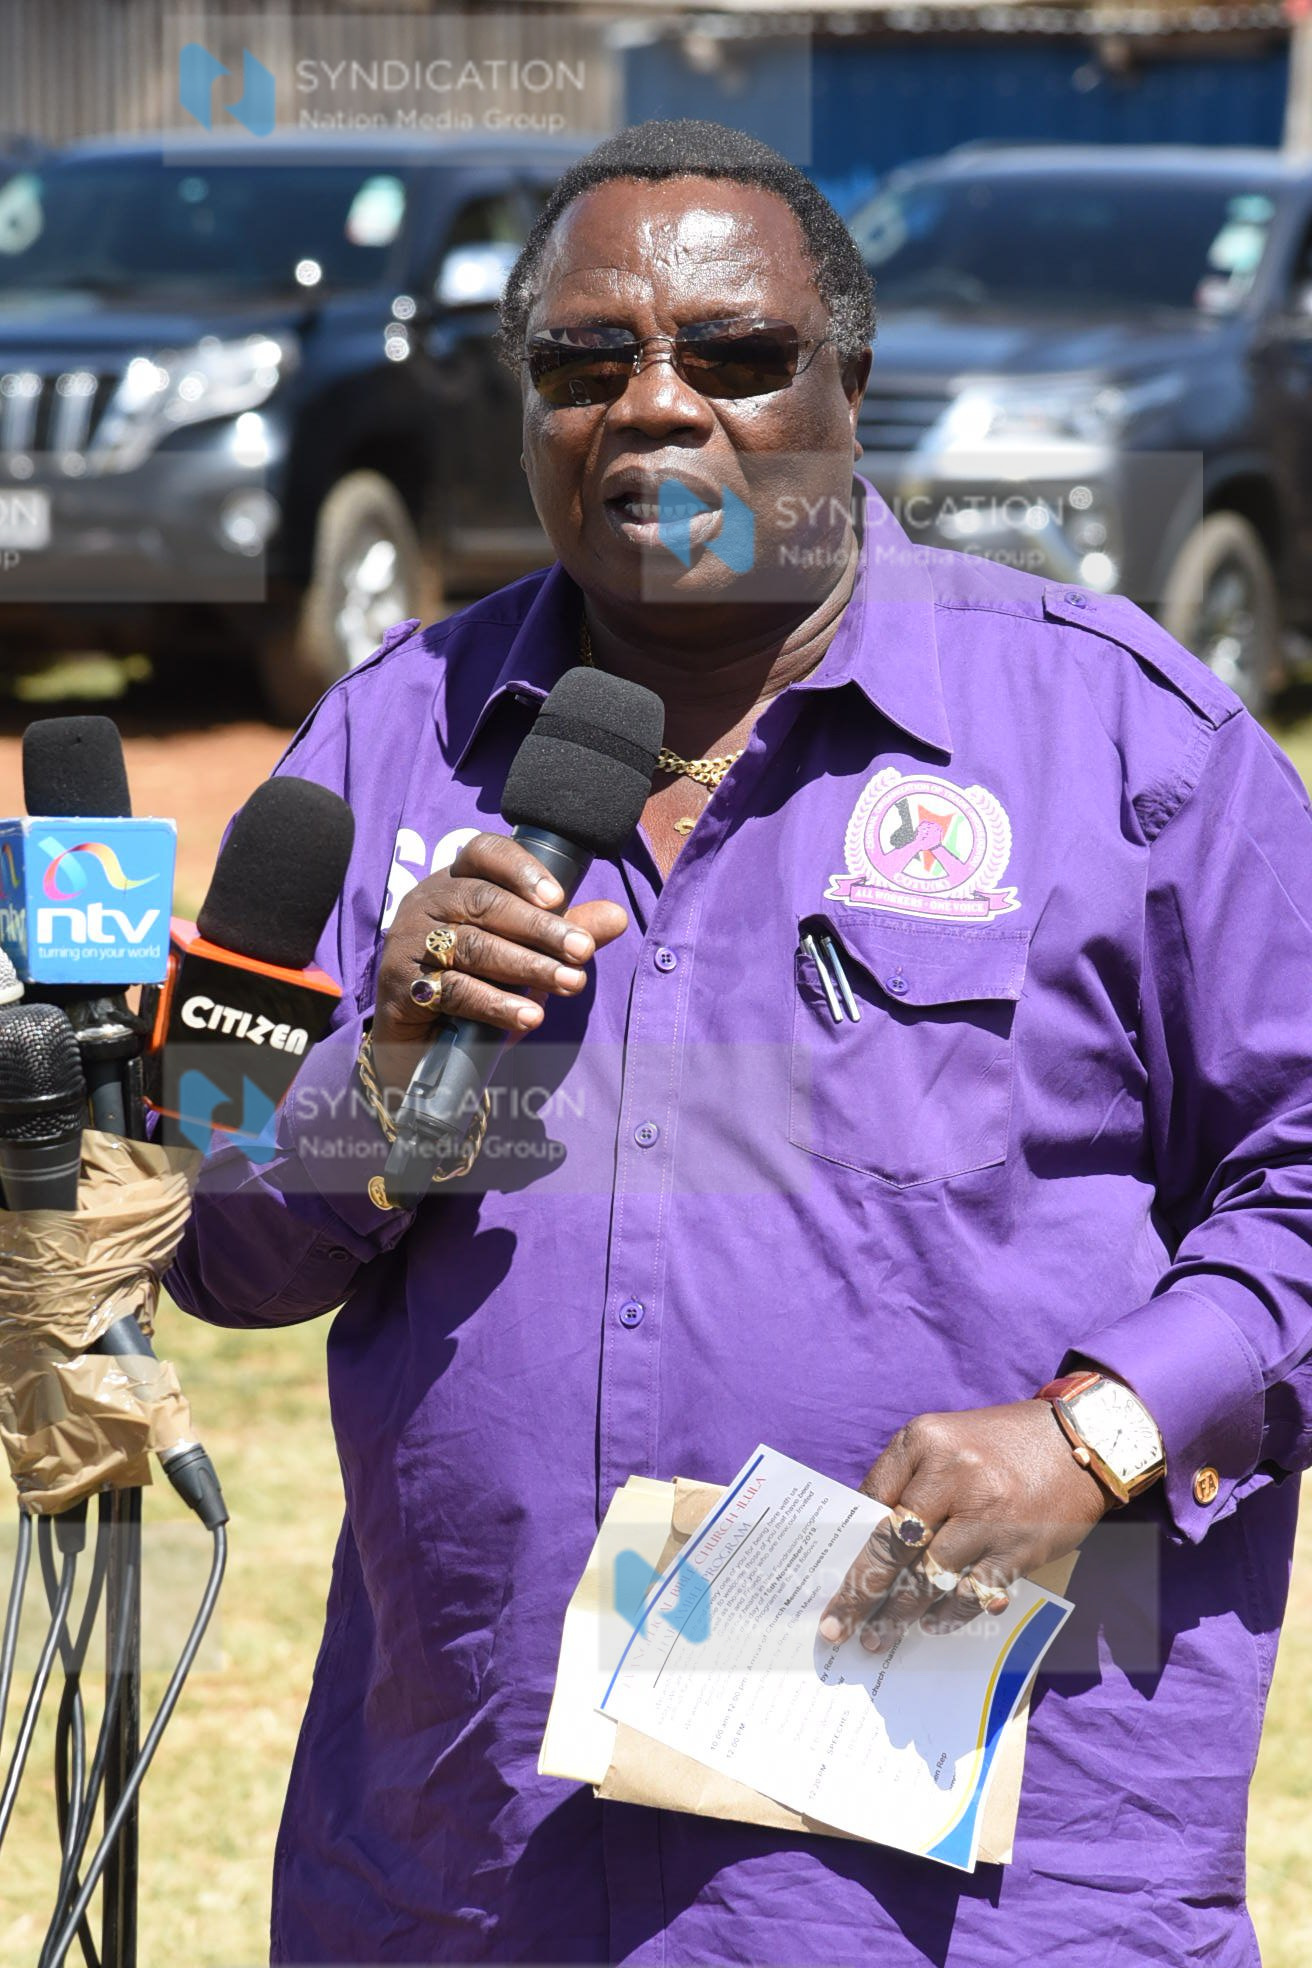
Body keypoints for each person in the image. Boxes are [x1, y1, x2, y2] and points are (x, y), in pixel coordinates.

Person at [168, 119, 1312, 1965]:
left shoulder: (1124, 745)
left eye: (733, 356)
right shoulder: (382, 742)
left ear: (849, 386)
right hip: (481, 1863)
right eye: (585, 361)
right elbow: (208, 1241)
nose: (655, 407)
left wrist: (1094, 1434)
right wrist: (371, 1086)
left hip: (972, 1882)